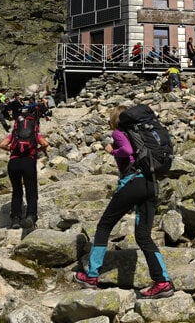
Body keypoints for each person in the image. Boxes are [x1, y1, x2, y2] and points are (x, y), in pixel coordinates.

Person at [74, 106, 174, 299]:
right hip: (151, 184)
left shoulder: (120, 133)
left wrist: (112, 150)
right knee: (143, 236)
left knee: (104, 226)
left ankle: (91, 276)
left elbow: (126, 150)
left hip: (132, 183)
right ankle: (162, 282)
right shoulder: (145, 134)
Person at [0, 114, 49, 230]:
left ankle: (15, 218)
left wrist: (11, 149)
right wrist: (37, 151)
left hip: (13, 163)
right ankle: (31, 216)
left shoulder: (14, 135)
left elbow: (1, 145)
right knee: (31, 191)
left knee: (16, 191)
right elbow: (45, 144)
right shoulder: (35, 134)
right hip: (28, 162)